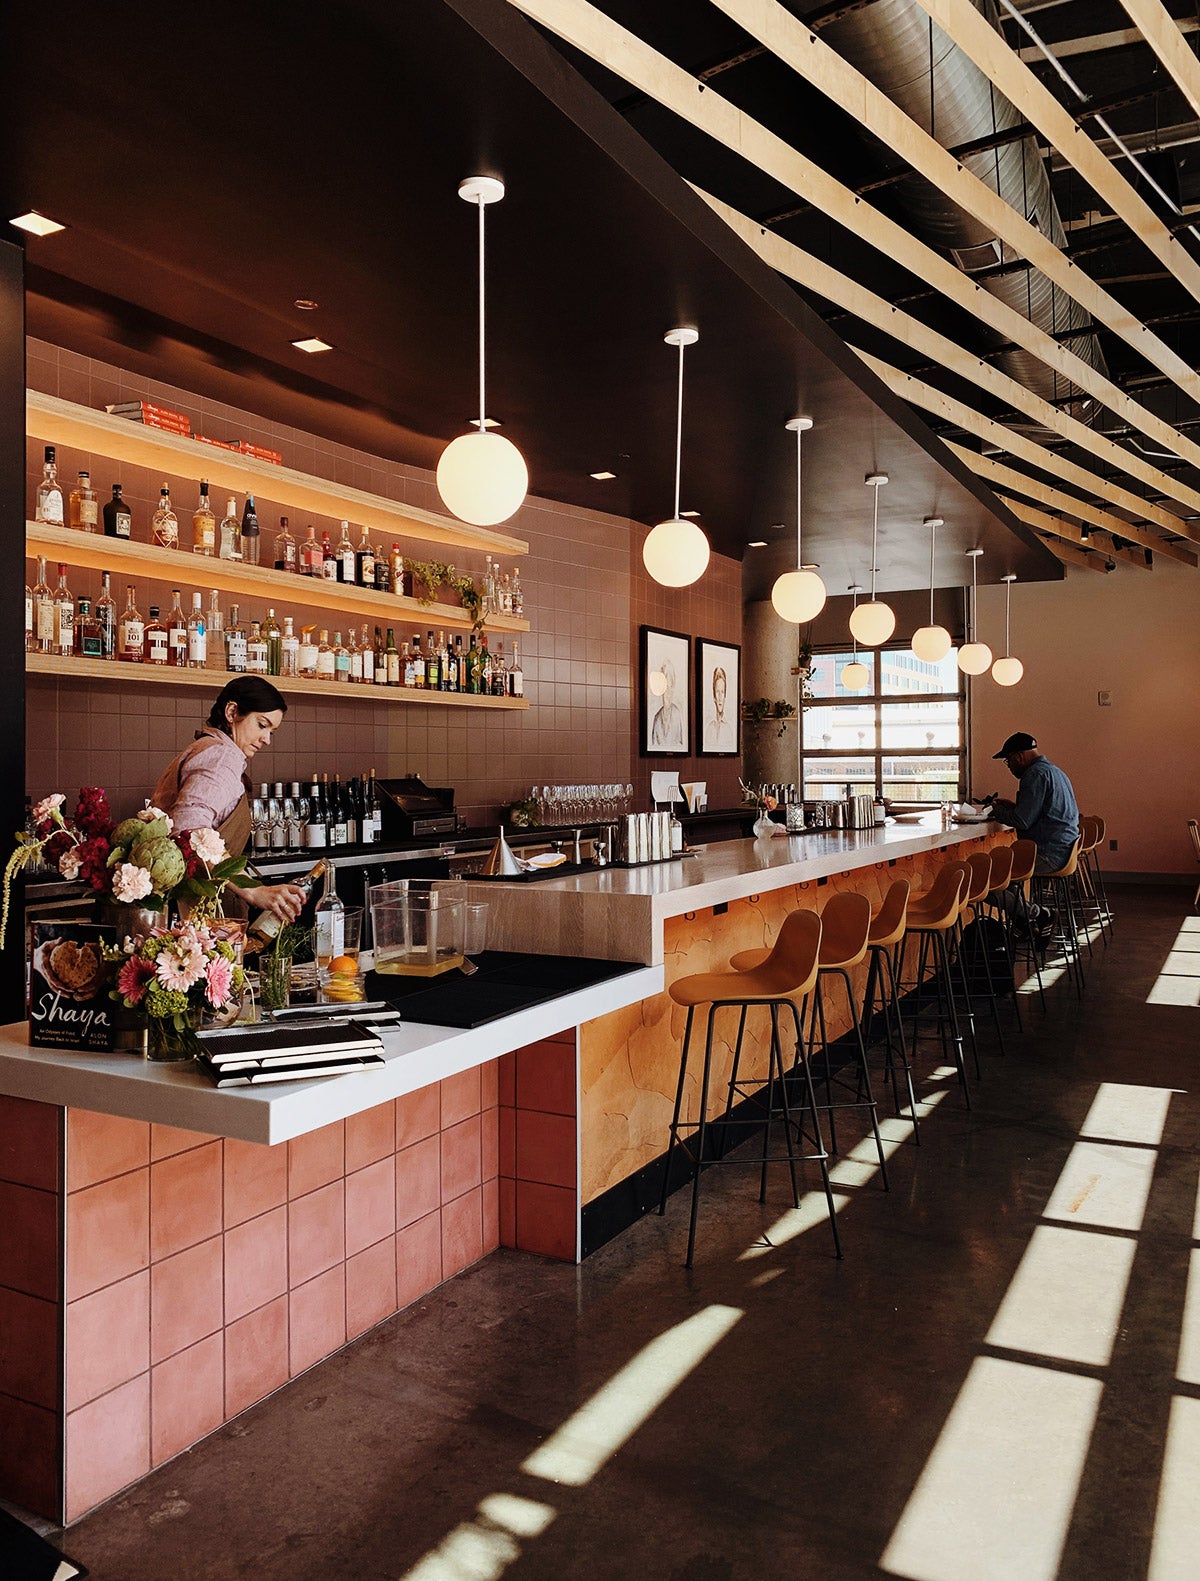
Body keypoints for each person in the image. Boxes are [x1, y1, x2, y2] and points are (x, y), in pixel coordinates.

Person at [150, 676, 306, 922]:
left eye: (272, 731)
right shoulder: (221, 757)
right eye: (261, 725)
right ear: (232, 712)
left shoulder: (206, 748)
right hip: (194, 912)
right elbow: (189, 829)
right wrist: (252, 890)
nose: (267, 739)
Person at [989, 731, 1080, 873]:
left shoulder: (1034, 774)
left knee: (990, 871)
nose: (1009, 766)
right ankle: (1017, 895)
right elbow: (1044, 812)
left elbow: (1022, 821)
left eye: (1008, 760)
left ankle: (1015, 896)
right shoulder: (1055, 771)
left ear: (1018, 756)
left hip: (1047, 854)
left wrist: (995, 810)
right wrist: (1014, 807)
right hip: (1065, 851)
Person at [649, 658, 686, 750]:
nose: (668, 693)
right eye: (666, 688)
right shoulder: (656, 719)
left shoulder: (677, 714)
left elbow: (681, 746)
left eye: (670, 687)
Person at [703, 666, 737, 753]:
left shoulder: (729, 730)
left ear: (725, 696)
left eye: (722, 692)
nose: (720, 697)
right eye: (718, 692)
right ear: (714, 696)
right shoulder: (709, 728)